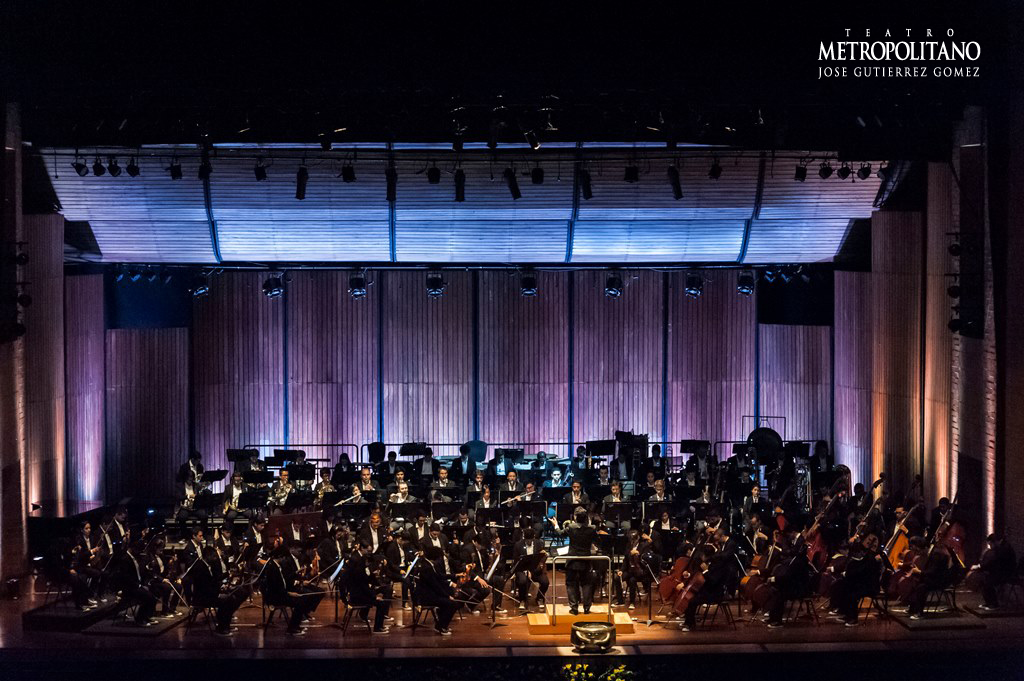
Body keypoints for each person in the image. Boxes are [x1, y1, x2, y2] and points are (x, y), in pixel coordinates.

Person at [551, 508, 602, 615]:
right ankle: (587, 608)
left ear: (575, 517)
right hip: (586, 560)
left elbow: (560, 533)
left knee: (571, 584)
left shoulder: (571, 527)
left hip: (573, 560)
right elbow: (597, 540)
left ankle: (574, 608)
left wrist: (555, 524)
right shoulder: (592, 528)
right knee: (586, 584)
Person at [827, 532, 883, 626]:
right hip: (862, 582)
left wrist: (850, 574)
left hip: (870, 586)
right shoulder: (865, 554)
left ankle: (853, 618)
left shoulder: (873, 556)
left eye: (870, 541)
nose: (868, 542)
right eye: (867, 540)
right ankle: (846, 613)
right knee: (842, 585)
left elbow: (866, 573)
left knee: (851, 592)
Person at [193, 546, 247, 636]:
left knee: (236, 594)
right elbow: (204, 588)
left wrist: (222, 588)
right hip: (203, 597)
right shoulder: (200, 567)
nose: (215, 559)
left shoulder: (206, 565)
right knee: (228, 600)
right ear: (208, 556)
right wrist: (218, 594)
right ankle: (222, 628)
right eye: (214, 556)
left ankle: (225, 625)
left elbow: (212, 581)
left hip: (209, 593)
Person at [343, 540, 391, 633]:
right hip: (357, 596)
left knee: (382, 597)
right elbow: (362, 585)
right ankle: (377, 628)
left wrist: (372, 577)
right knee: (381, 603)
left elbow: (365, 581)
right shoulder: (358, 565)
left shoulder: (361, 564)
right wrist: (374, 597)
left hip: (359, 593)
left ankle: (378, 625)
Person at [415, 546, 459, 635]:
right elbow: (435, 585)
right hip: (427, 596)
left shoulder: (429, 564)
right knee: (452, 604)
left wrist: (454, 575)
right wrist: (447, 596)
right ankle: (442, 626)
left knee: (448, 601)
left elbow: (439, 576)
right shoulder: (427, 567)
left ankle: (440, 625)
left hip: (430, 593)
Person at [976, 533, 1017, 610]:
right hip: (1002, 572)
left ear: (996, 541)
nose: (990, 546)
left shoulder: (1003, 549)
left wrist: (981, 566)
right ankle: (989, 602)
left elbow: (994, 561)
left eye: (991, 544)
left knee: (988, 582)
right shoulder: (1001, 547)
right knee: (984, 580)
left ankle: (994, 604)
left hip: (1006, 574)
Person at [513, 527, 548, 611]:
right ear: (524, 538)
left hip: (536, 570)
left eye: (530, 540)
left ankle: (539, 598)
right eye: (527, 540)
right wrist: (526, 571)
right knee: (522, 581)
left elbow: (542, 556)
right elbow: (516, 561)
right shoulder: (518, 545)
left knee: (545, 582)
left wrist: (541, 563)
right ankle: (522, 599)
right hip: (522, 570)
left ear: (534, 537)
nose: (529, 542)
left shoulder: (539, 543)